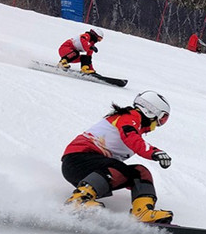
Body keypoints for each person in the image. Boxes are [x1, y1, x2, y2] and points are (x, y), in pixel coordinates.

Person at [61, 90, 174, 223]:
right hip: (77, 160)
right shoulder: (129, 117)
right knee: (118, 167)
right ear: (150, 111)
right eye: (162, 118)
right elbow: (131, 138)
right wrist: (153, 152)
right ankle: (78, 201)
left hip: (94, 171)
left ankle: (142, 211)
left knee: (139, 172)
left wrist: (132, 182)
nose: (159, 124)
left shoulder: (136, 127)